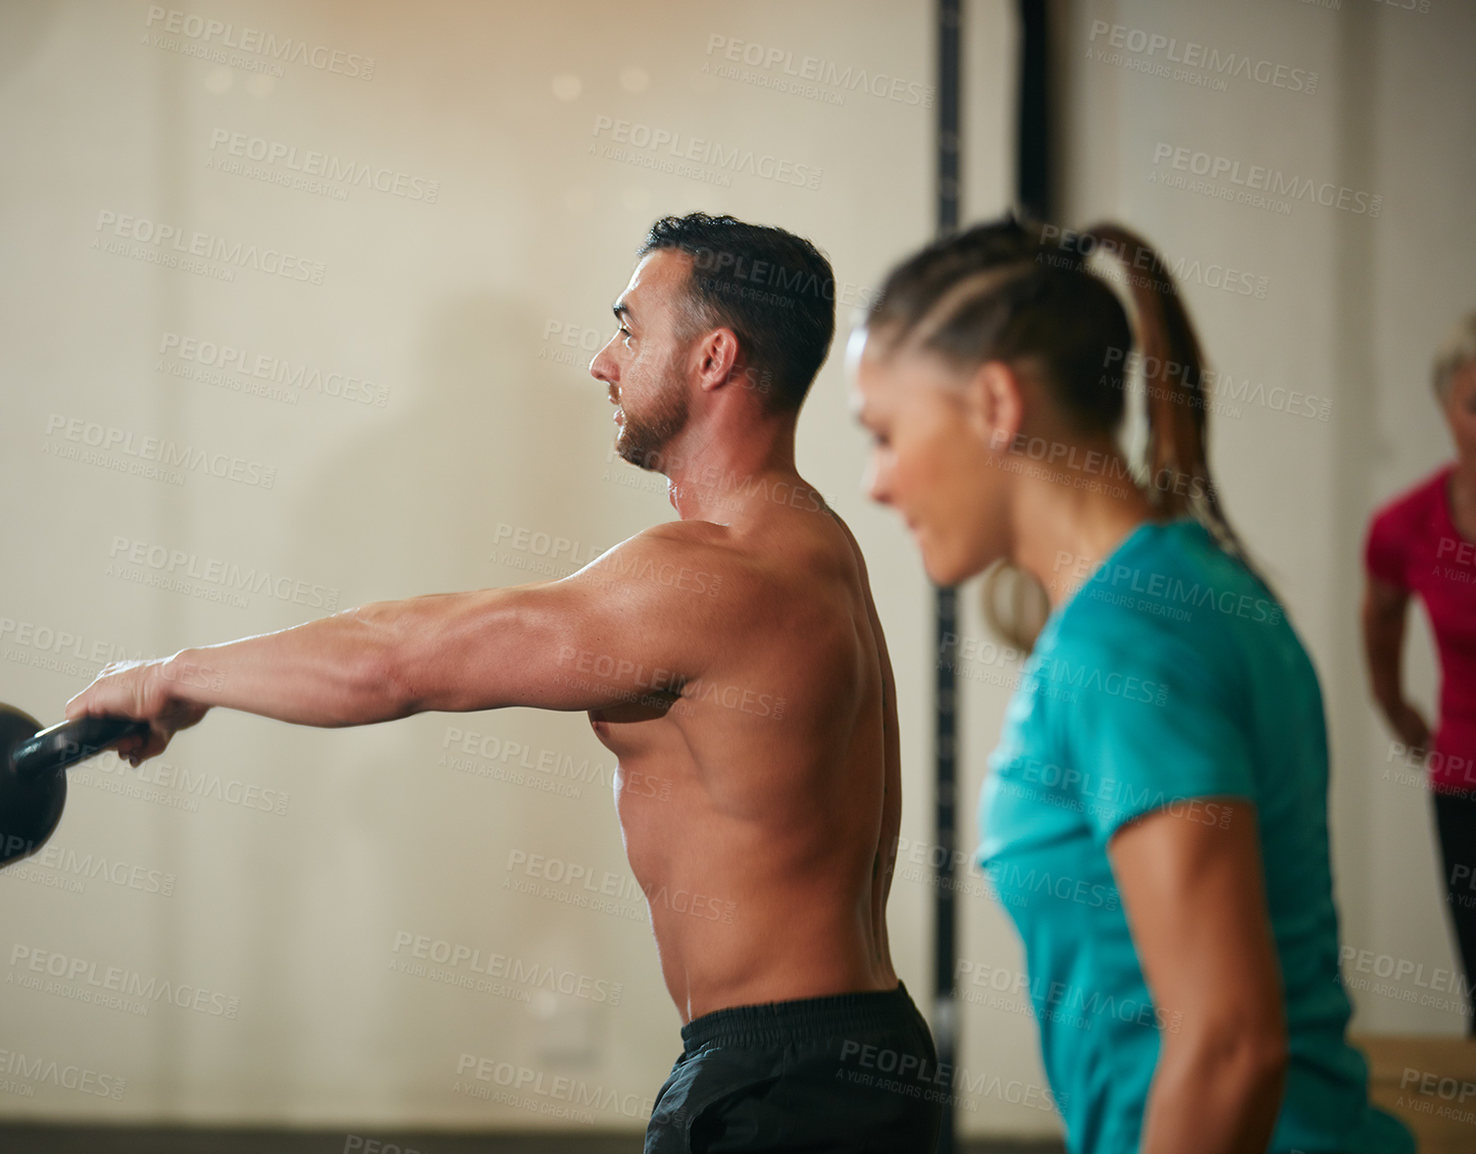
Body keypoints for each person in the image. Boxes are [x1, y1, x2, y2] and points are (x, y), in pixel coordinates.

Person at [68, 213, 944, 1151]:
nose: (603, 362)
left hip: (781, 1089)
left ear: (714, 357)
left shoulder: (712, 577)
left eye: (629, 328)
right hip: (849, 1053)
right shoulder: (815, 543)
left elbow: (403, 660)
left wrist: (173, 676)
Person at [848, 216, 1413, 1154]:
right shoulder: (1188, 591)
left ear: (994, 403)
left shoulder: (1124, 646)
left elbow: (1230, 1047)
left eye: (885, 433)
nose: (874, 481)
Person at [1362, 310, 1476, 1033]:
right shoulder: (1406, 525)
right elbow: (1380, 614)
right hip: (1464, 783)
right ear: (1445, 409)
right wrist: (1394, 706)